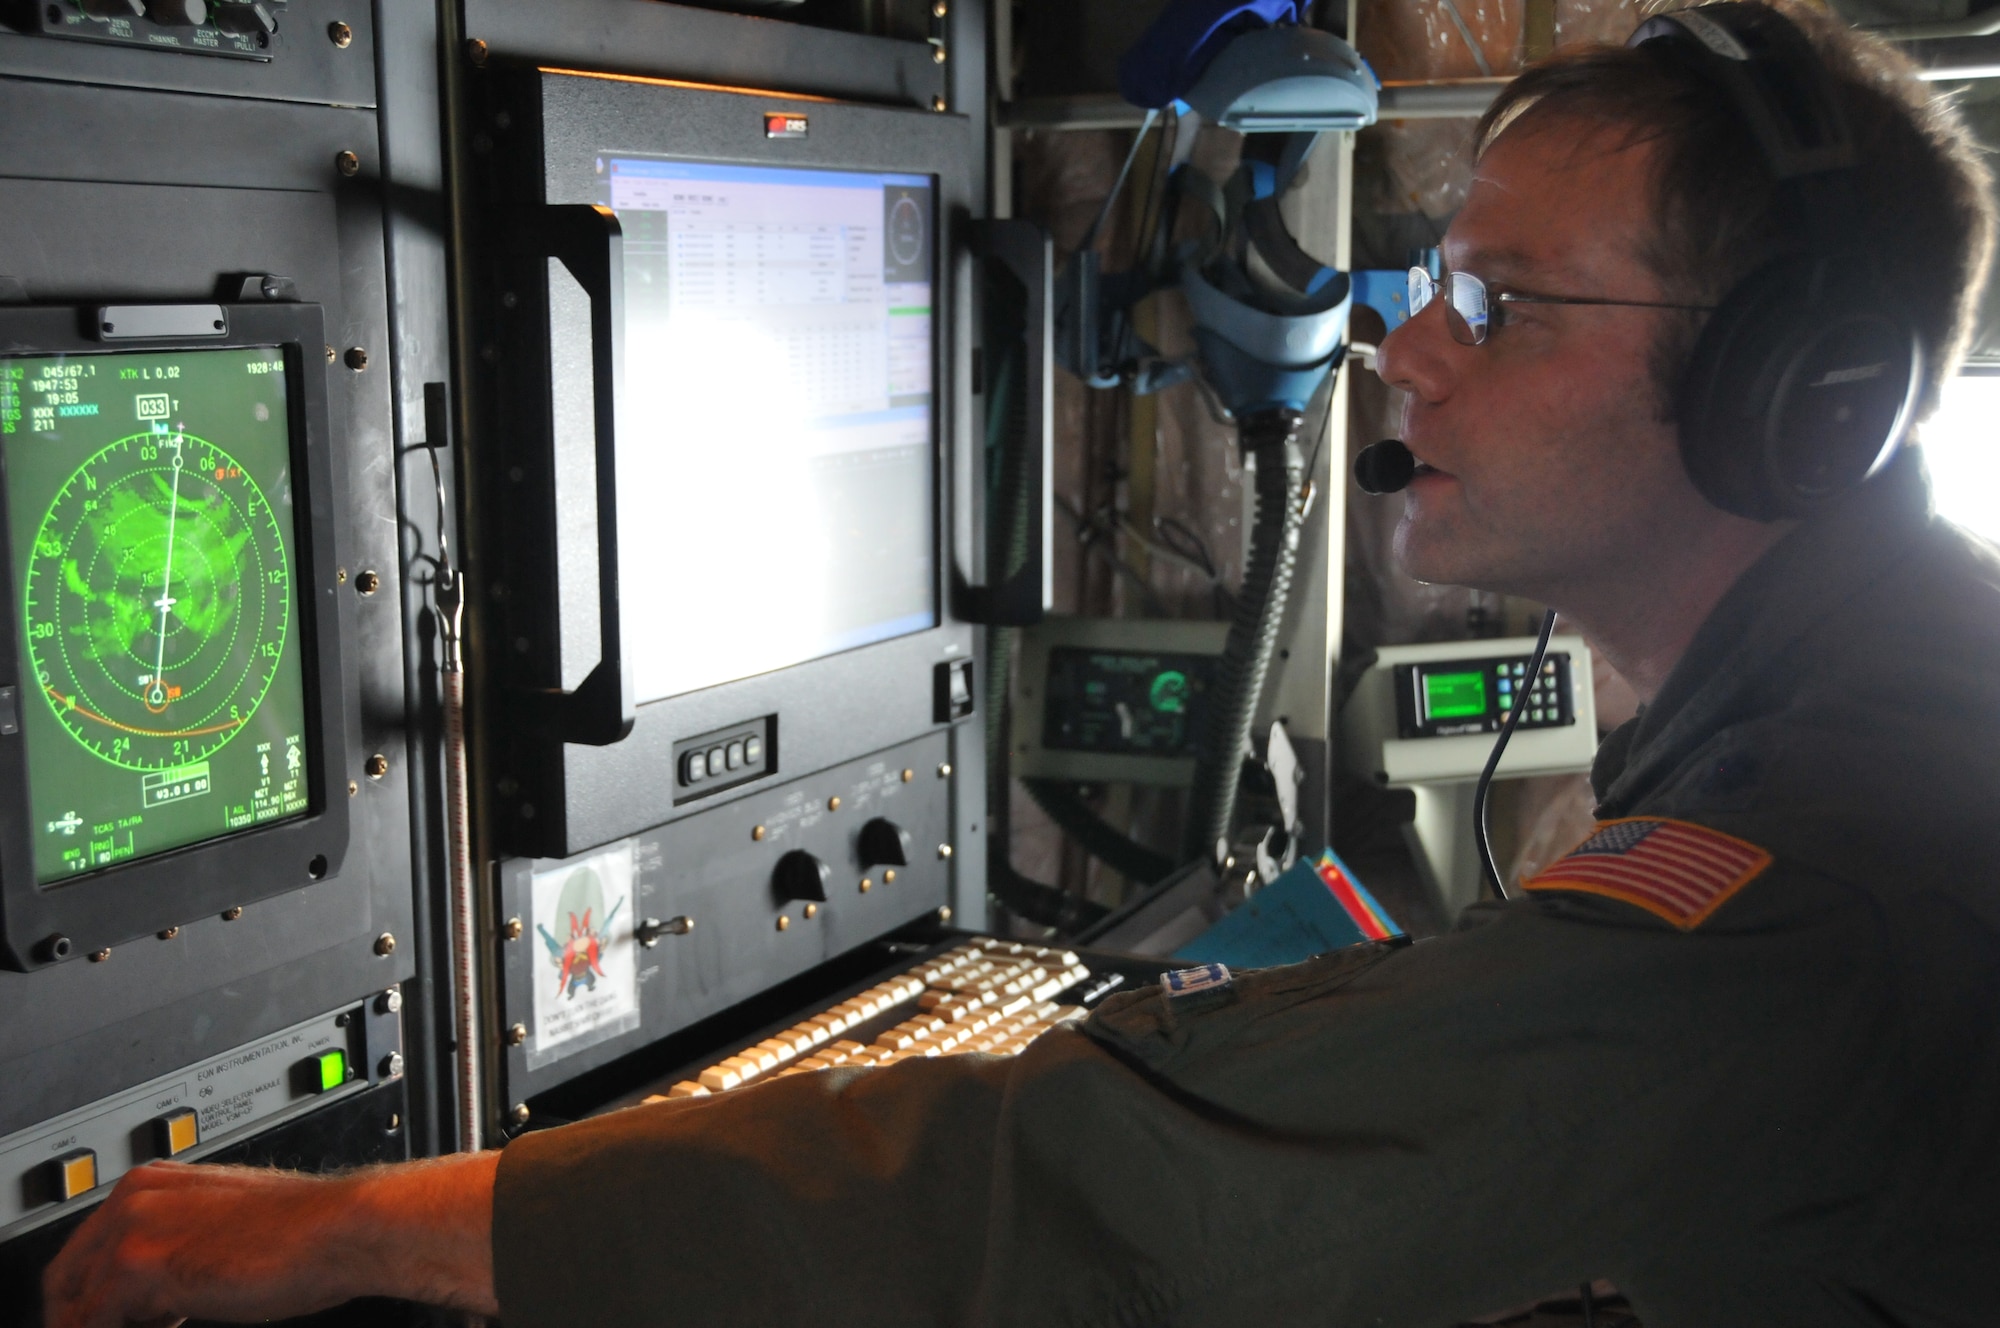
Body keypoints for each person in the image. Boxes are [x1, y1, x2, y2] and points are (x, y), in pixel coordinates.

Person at [42, 4, 2000, 1325]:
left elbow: (1130, 1184)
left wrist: (362, 1218)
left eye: (1493, 302)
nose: (1404, 351)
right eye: (1427, 285)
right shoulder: (1857, 711)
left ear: (1793, 396)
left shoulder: (1831, 873)